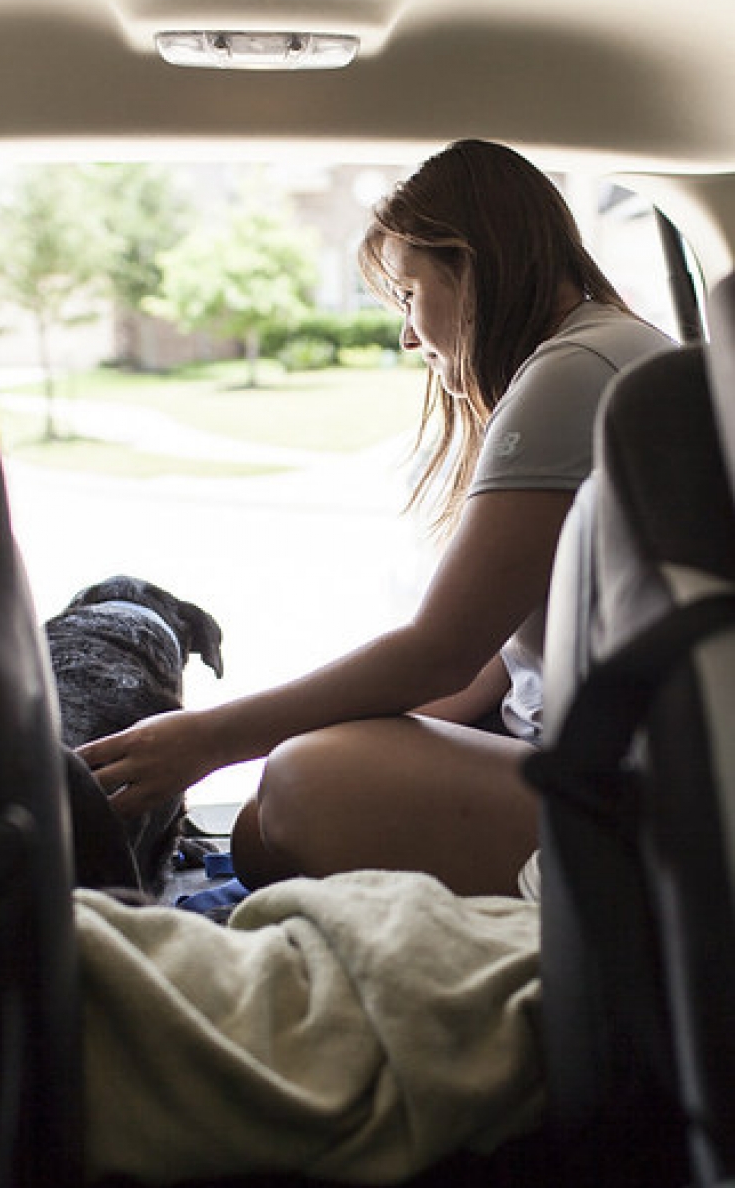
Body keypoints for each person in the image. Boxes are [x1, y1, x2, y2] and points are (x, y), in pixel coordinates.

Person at [79, 140, 673, 898]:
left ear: (470, 264)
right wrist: (327, 728)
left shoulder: (572, 371)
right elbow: (490, 663)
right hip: (608, 772)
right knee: (288, 784)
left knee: (294, 785)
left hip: (635, 808)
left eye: (407, 293)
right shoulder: (602, 350)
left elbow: (442, 652)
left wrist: (206, 738)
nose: (406, 334)